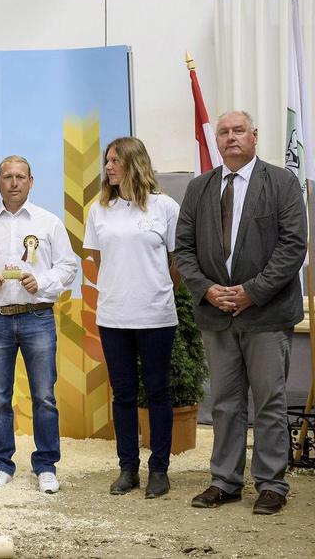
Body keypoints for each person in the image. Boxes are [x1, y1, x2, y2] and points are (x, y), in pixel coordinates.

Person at [175, 110, 305, 516]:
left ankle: (271, 484)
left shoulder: (282, 183)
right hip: (217, 315)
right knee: (226, 403)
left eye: (238, 131)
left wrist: (251, 292)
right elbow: (183, 249)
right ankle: (225, 481)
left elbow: (292, 247)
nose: (231, 138)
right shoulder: (200, 188)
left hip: (265, 315)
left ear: (254, 136)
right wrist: (208, 290)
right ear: (217, 140)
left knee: (269, 401)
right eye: (224, 132)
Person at [0, 155, 76, 493]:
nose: (14, 182)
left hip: (38, 317)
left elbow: (68, 267)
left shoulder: (48, 222)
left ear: (31, 181)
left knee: (44, 396)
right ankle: (2, 463)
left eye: (20, 176)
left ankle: (46, 465)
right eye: (7, 176)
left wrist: (43, 282)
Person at [83, 137, 180, 499]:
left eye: (114, 161)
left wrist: (153, 287)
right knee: (123, 394)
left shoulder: (165, 206)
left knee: (158, 393)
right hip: (113, 316)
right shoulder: (100, 210)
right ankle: (128, 468)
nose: (108, 167)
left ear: (134, 163)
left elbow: (177, 261)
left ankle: (159, 469)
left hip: (156, 315)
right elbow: (93, 257)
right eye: (106, 161)